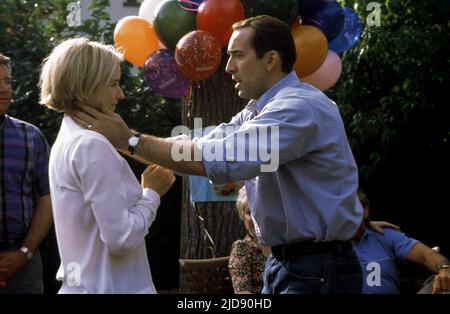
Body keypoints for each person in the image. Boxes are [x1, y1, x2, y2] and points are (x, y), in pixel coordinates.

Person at [71, 16, 364, 293]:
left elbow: (213, 160)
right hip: (294, 265)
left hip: (316, 268)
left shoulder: (298, 108)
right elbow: (198, 149)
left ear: (271, 59)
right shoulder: (256, 111)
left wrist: (129, 140)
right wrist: (125, 142)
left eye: (237, 55)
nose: (228, 67)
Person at [39, 38, 176, 294]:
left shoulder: (68, 138)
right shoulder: (90, 145)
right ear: (85, 86)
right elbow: (121, 239)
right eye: (113, 83)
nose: (120, 94)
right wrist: (152, 194)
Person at [0, 52, 53, 294]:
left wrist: (24, 253)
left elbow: (48, 198)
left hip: (23, 264)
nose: (4, 89)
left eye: (8, 81)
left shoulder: (30, 137)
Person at [352, 189, 450, 294]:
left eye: (351, 209)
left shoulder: (383, 234)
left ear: (365, 212)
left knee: (444, 283)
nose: (345, 215)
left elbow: (426, 254)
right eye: (341, 211)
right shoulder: (334, 242)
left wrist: (444, 269)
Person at [229, 186, 268, 294]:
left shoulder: (280, 244)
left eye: (259, 211)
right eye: (249, 212)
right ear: (242, 216)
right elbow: (242, 292)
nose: (255, 217)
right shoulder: (242, 248)